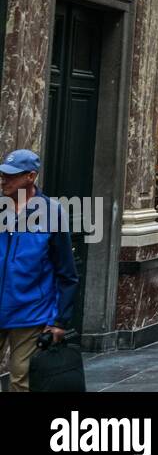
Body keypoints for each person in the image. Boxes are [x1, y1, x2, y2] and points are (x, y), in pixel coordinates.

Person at [0, 150, 78, 392]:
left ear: (31, 176)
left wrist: (59, 321)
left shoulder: (52, 213)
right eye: (2, 175)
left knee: (22, 380)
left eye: (11, 176)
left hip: (31, 311)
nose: (4, 180)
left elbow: (66, 272)